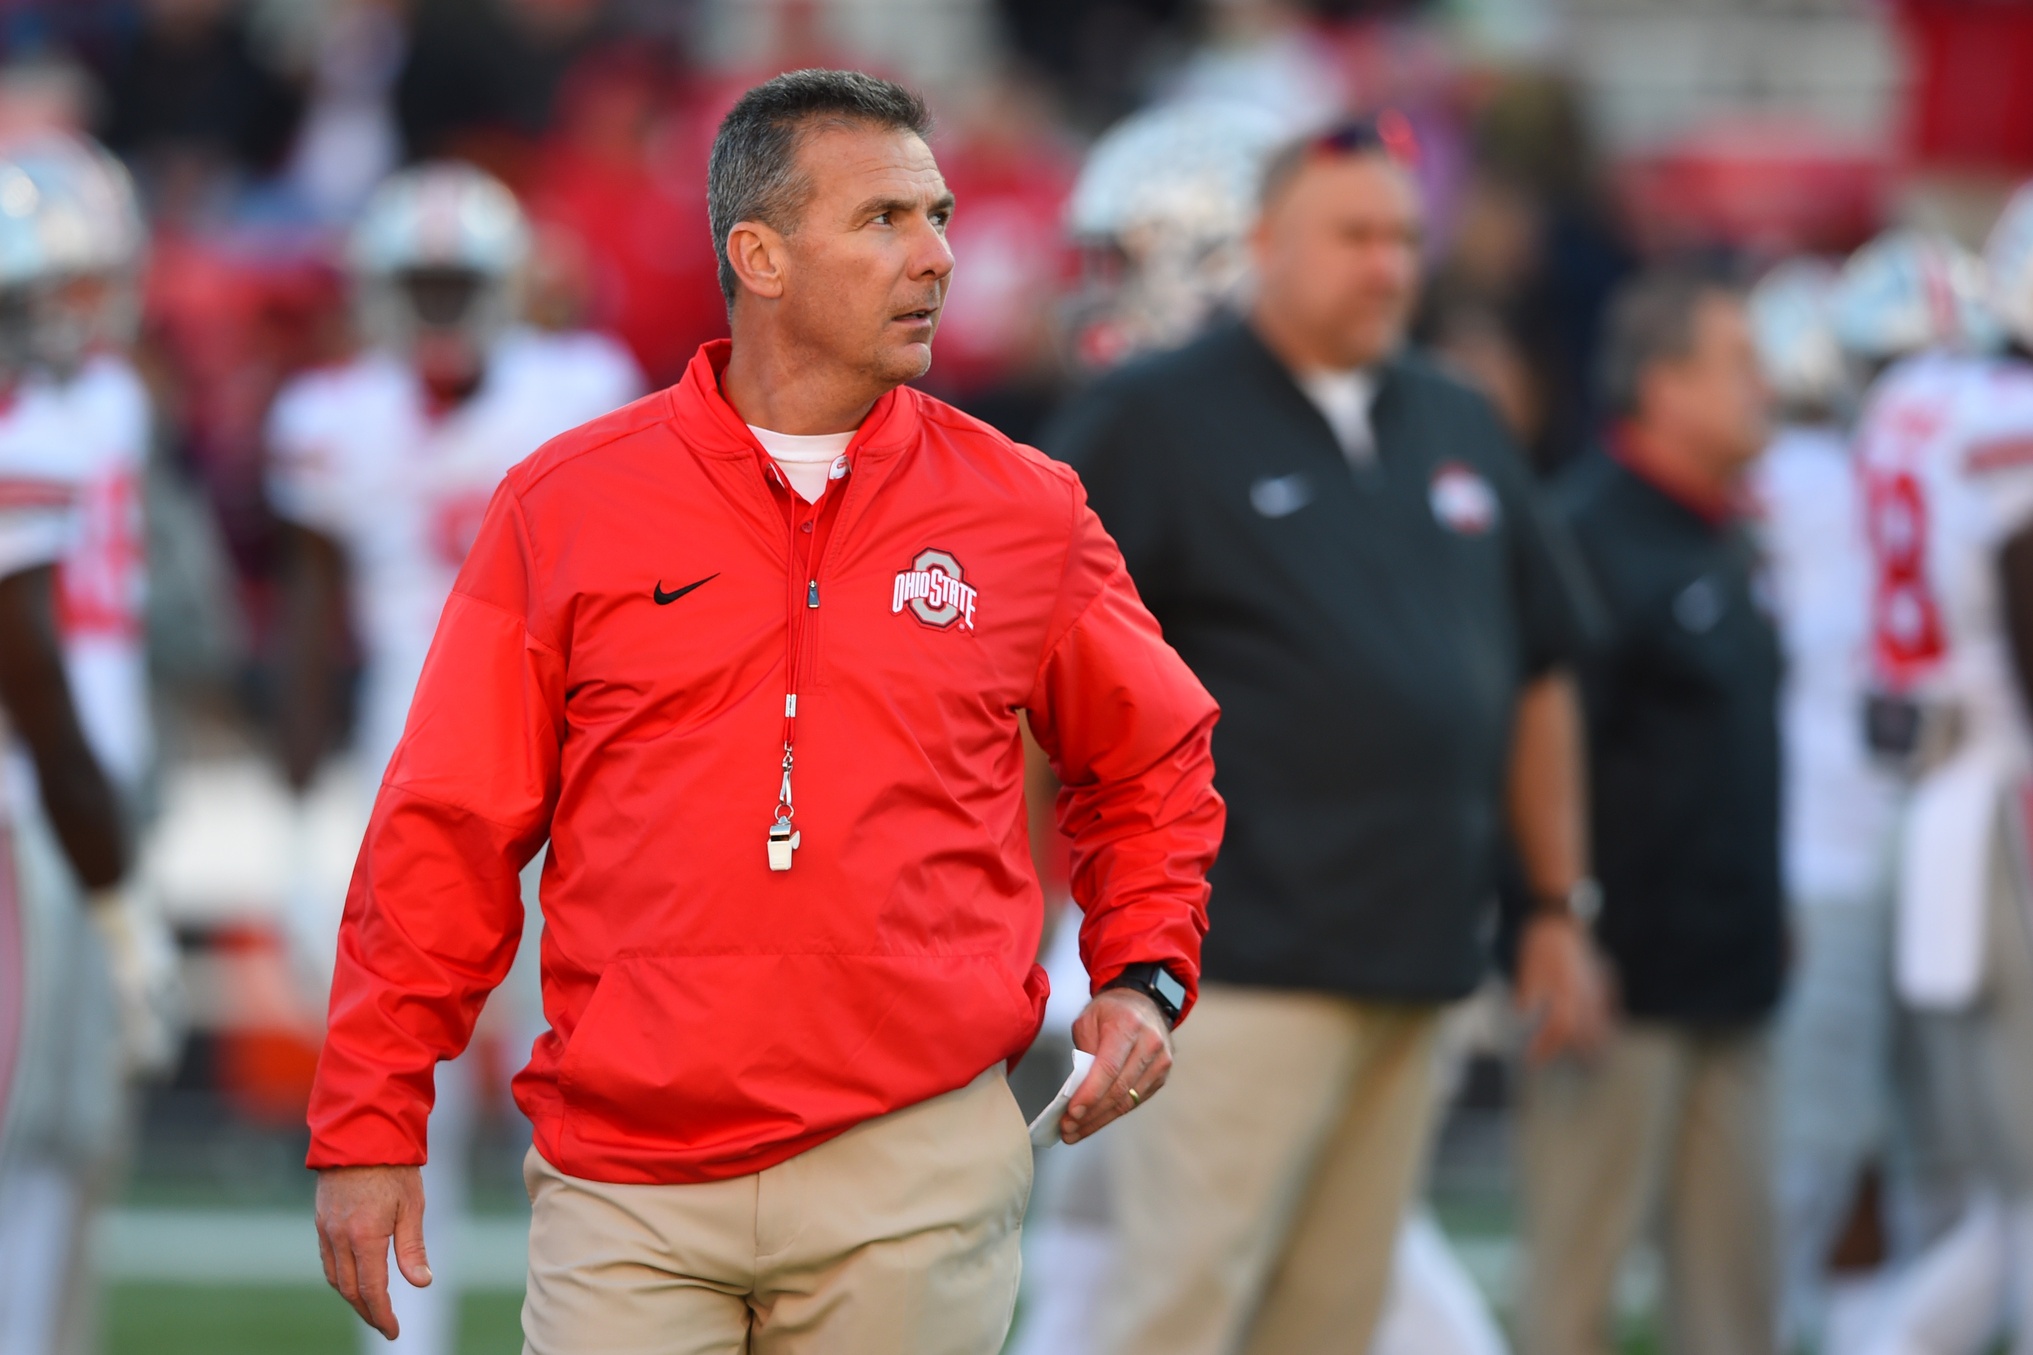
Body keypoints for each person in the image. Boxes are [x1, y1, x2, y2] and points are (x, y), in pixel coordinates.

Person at [305, 68, 1224, 1355]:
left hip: (915, 1164)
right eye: (886, 220)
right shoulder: (565, 503)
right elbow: (445, 826)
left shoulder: (1026, 509)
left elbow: (1155, 755)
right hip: (623, 1173)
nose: (941, 256)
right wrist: (368, 1114)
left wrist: (1140, 970)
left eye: (941, 214)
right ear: (760, 255)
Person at [1047, 116, 1606, 1355]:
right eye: (1353, 235)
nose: (1386, 266)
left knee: (1332, 1319)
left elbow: (1535, 671)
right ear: (1261, 245)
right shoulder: (1151, 415)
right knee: (1173, 1308)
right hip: (1225, 961)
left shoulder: (1456, 417)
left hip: (1415, 954)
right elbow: (1024, 661)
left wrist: (1556, 903)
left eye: (1404, 237)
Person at [266, 159, 643, 1355]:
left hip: (564, 771)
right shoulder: (329, 415)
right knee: (405, 1065)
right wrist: (304, 782)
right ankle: (404, 1337)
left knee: (570, 1064)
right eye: (417, 281)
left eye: (455, 280)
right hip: (407, 770)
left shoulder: (578, 385)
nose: (435, 303)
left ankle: (590, 1315)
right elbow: (313, 613)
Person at [1518, 270, 1782, 1355]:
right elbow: (1533, 755)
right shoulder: (1580, 534)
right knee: (1572, 1300)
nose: (1764, 387)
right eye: (1737, 364)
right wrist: (1558, 924)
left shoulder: (1723, 532)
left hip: (1732, 979)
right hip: (1612, 987)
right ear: (1662, 385)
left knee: (1736, 1307)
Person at [1843, 183, 2033, 1355]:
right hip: (2006, 802)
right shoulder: (2006, 421)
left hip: (1934, 799)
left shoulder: (1912, 398)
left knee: (1992, 1175)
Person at [0, 135, 181, 1354]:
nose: (80, 312)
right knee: (35, 1122)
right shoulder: (30, 434)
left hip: (88, 785)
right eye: (48, 291)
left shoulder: (106, 402)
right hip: (39, 805)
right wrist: (120, 899)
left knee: (75, 1133)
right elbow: (42, 695)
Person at [1744, 258, 1902, 1351]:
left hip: (1813, 841)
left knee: (1821, 1150)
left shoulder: (1794, 476)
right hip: (1852, 837)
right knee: (1844, 1153)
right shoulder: (1817, 476)